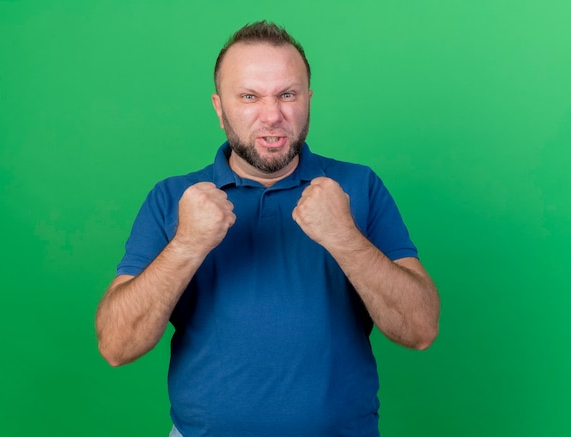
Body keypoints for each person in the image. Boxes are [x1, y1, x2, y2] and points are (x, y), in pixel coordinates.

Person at [95, 20, 440, 437]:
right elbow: (116, 345)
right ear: (220, 108)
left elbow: (421, 330)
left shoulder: (358, 186)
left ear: (308, 100)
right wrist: (187, 245)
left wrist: (344, 237)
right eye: (249, 97)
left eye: (287, 95)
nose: (272, 115)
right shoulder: (173, 198)